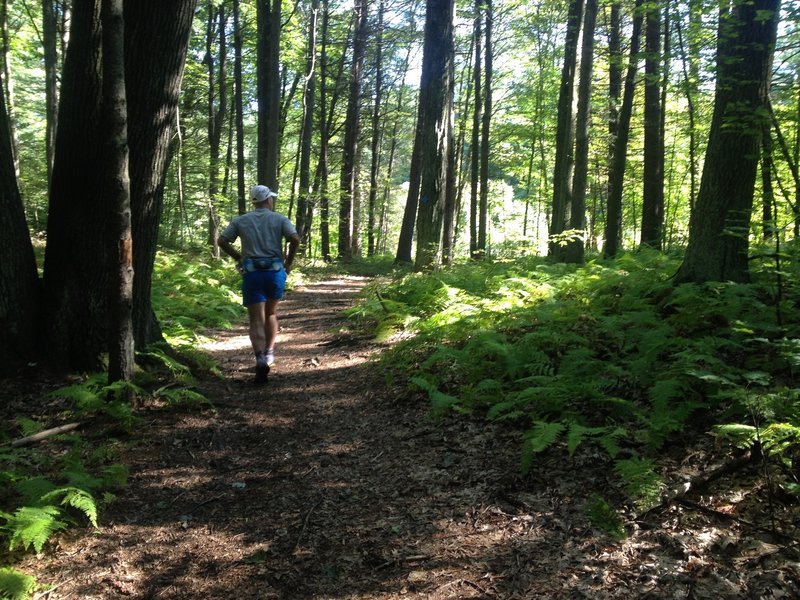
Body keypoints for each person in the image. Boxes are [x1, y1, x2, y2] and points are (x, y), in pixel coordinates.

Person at [217, 184, 300, 385]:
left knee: (255, 319)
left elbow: (222, 241)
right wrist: (288, 261)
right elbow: (294, 238)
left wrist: (239, 257)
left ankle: (260, 358)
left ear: (254, 201)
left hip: (252, 272)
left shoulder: (241, 220)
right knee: (271, 314)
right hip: (274, 273)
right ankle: (270, 352)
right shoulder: (279, 218)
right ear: (268, 200)